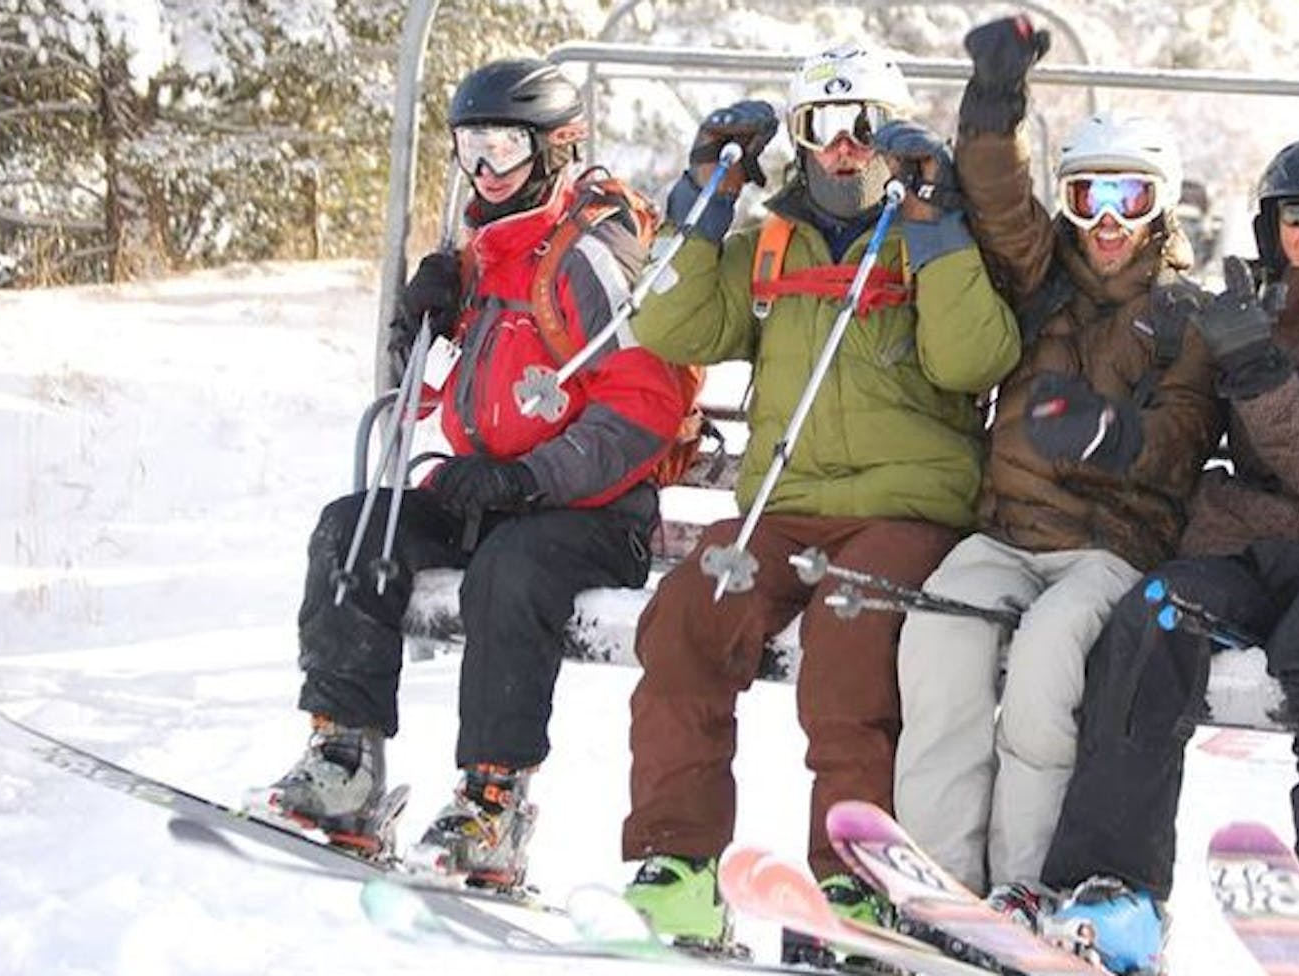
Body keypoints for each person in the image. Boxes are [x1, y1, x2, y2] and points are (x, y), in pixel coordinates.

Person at [615, 42, 1021, 960]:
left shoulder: (933, 234)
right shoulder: (770, 239)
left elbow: (975, 361)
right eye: (821, 129)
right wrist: (704, 199)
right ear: (797, 141)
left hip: (905, 511)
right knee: (685, 618)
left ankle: (850, 880)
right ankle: (676, 866)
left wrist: (938, 224)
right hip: (785, 507)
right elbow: (667, 324)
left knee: (850, 634)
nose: (843, 149)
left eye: (863, 129)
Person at [249, 58, 690, 890]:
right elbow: (408, 396)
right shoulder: (482, 252)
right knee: (353, 529)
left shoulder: (589, 255)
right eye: (469, 148)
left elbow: (642, 408)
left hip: (590, 509)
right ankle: (345, 759)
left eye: (503, 149)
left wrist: (526, 479)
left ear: (556, 149)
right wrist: (417, 323)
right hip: (487, 488)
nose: (483, 171)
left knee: (509, 572)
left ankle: (494, 802)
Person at [1035, 137, 1299, 976]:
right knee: (1151, 614)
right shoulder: (1262, 297)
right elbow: (1197, 440)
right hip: (1250, 539)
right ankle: (1117, 887)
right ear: (1271, 221)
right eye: (1298, 213)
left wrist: (1253, 361)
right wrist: (1117, 429)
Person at [891, 14, 1222, 928]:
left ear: (1161, 203)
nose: (1107, 224)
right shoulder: (1044, 279)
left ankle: (1025, 880)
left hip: (1105, 550)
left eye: (1126, 198)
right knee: (937, 643)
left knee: (1042, 668)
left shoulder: (1186, 315)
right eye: (1086, 199)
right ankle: (938, 882)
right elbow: (997, 198)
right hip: (1004, 537)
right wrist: (993, 102)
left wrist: (1110, 436)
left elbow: (1185, 434)